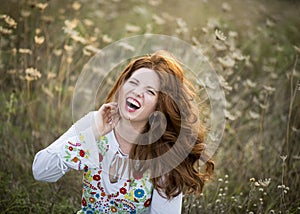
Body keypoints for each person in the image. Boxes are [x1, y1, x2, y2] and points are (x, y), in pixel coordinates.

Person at [32, 50, 214, 213]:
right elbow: (41, 171)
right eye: (133, 82)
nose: (137, 92)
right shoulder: (95, 123)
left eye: (150, 91)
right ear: (121, 86)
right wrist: (92, 134)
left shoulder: (164, 151)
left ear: (161, 105)